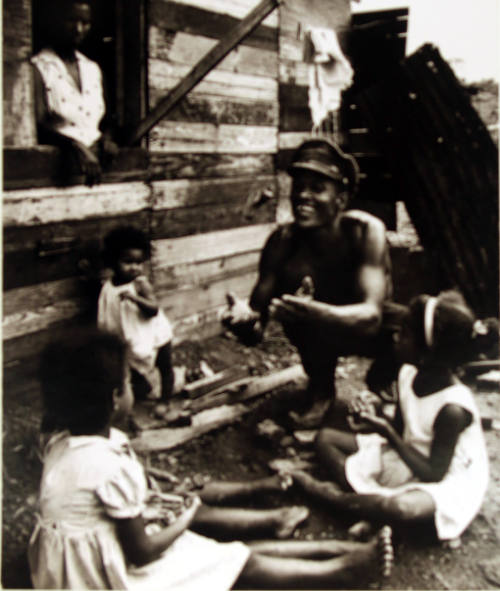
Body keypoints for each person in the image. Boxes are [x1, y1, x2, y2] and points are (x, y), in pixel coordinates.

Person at [29, 328, 394, 590]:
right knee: (236, 562)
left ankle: (336, 548)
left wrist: (157, 489)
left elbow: (98, 491)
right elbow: (143, 553)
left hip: (76, 566)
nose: (130, 392)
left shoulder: (62, 442)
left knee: (218, 554)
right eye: (126, 384)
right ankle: (340, 572)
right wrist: (188, 513)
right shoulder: (108, 466)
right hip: (111, 577)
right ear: (114, 399)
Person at [290, 290, 497, 543]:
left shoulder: (452, 408)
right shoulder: (408, 372)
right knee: (325, 439)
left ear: (427, 353)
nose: (396, 337)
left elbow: (434, 473)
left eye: (405, 334)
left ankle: (326, 496)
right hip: (409, 454)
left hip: (445, 479)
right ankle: (371, 510)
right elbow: (401, 429)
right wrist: (372, 421)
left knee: (400, 508)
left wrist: (385, 432)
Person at [224, 138, 398, 428]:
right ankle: (321, 390)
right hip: (320, 332)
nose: (303, 196)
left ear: (340, 199)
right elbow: (257, 330)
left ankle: (384, 386)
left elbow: (371, 316)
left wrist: (314, 311)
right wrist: (243, 324)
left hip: (370, 327)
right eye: (298, 188)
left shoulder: (365, 231)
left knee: (408, 328)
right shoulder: (281, 243)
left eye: (317, 188)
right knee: (301, 321)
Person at [31, 0, 119, 186]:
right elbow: (39, 125)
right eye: (71, 20)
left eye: (85, 22)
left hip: (98, 170)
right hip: (58, 173)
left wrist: (107, 139)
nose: (78, 29)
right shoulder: (40, 67)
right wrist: (74, 146)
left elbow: (106, 119)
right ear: (56, 21)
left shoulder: (92, 69)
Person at [98, 226, 174, 402]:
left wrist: (135, 299)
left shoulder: (140, 284)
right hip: (130, 334)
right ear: (113, 261)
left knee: (165, 367)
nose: (134, 268)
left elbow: (153, 309)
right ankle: (143, 389)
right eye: (128, 262)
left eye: (139, 263)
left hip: (155, 333)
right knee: (129, 366)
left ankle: (165, 401)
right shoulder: (109, 286)